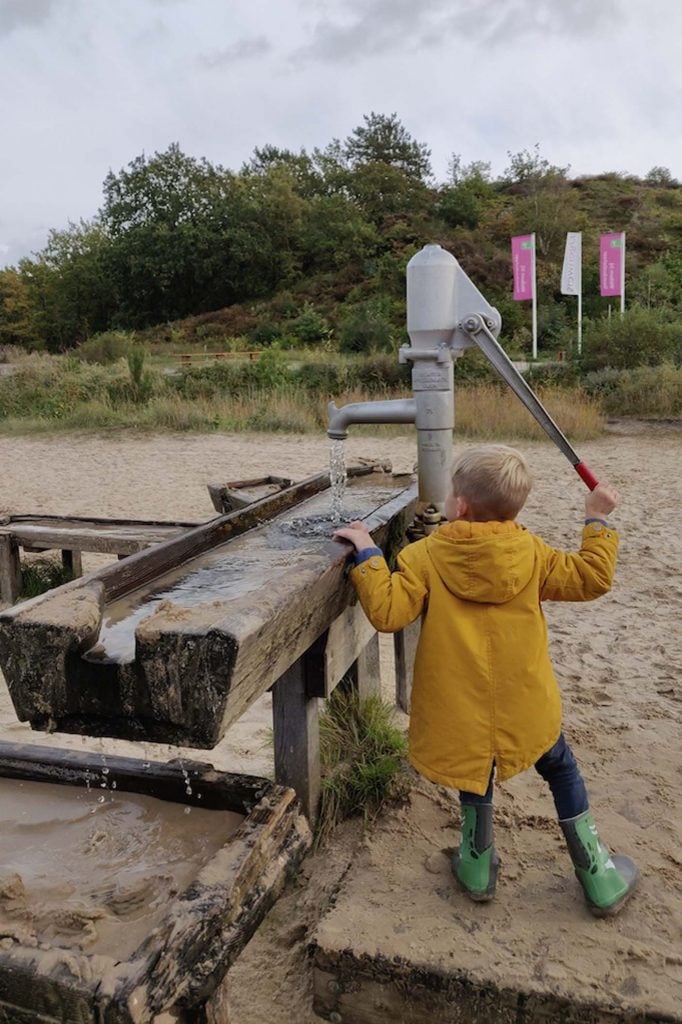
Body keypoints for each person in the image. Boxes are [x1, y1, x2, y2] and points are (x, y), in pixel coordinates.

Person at [334, 444, 638, 917]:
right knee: (561, 768)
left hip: (462, 707)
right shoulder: (533, 552)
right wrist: (595, 517)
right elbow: (592, 577)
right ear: (516, 507)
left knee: (476, 773)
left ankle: (477, 868)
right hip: (526, 703)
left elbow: (389, 612)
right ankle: (597, 874)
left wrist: (369, 554)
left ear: (460, 506)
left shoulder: (423, 556)